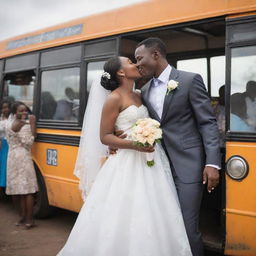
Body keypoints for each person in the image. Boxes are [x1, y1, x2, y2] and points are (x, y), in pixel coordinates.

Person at [57, 57, 192, 255]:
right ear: (120, 72)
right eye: (130, 61)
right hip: (127, 162)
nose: (136, 64)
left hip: (151, 160)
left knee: (155, 209)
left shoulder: (139, 94)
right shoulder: (114, 98)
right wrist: (135, 144)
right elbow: (104, 136)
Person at [134, 37, 221, 256]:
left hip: (189, 166)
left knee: (187, 226)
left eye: (139, 58)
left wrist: (212, 162)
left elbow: (207, 122)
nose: (137, 64)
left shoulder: (190, 80)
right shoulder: (143, 91)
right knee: (166, 225)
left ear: (155, 55)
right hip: (158, 167)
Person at [5, 101, 38, 229]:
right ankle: (30, 220)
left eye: (25, 110)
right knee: (27, 191)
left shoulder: (9, 123)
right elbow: (28, 143)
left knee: (16, 190)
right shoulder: (23, 125)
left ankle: (22, 217)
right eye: (21, 111)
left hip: (12, 157)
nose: (24, 113)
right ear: (15, 112)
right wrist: (33, 127)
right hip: (23, 157)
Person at [0, 100, 12, 193]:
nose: (6, 109)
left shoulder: (13, 117)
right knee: (2, 167)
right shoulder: (1, 118)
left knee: (7, 166)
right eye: (3, 107)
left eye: (7, 107)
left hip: (10, 144)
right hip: (2, 144)